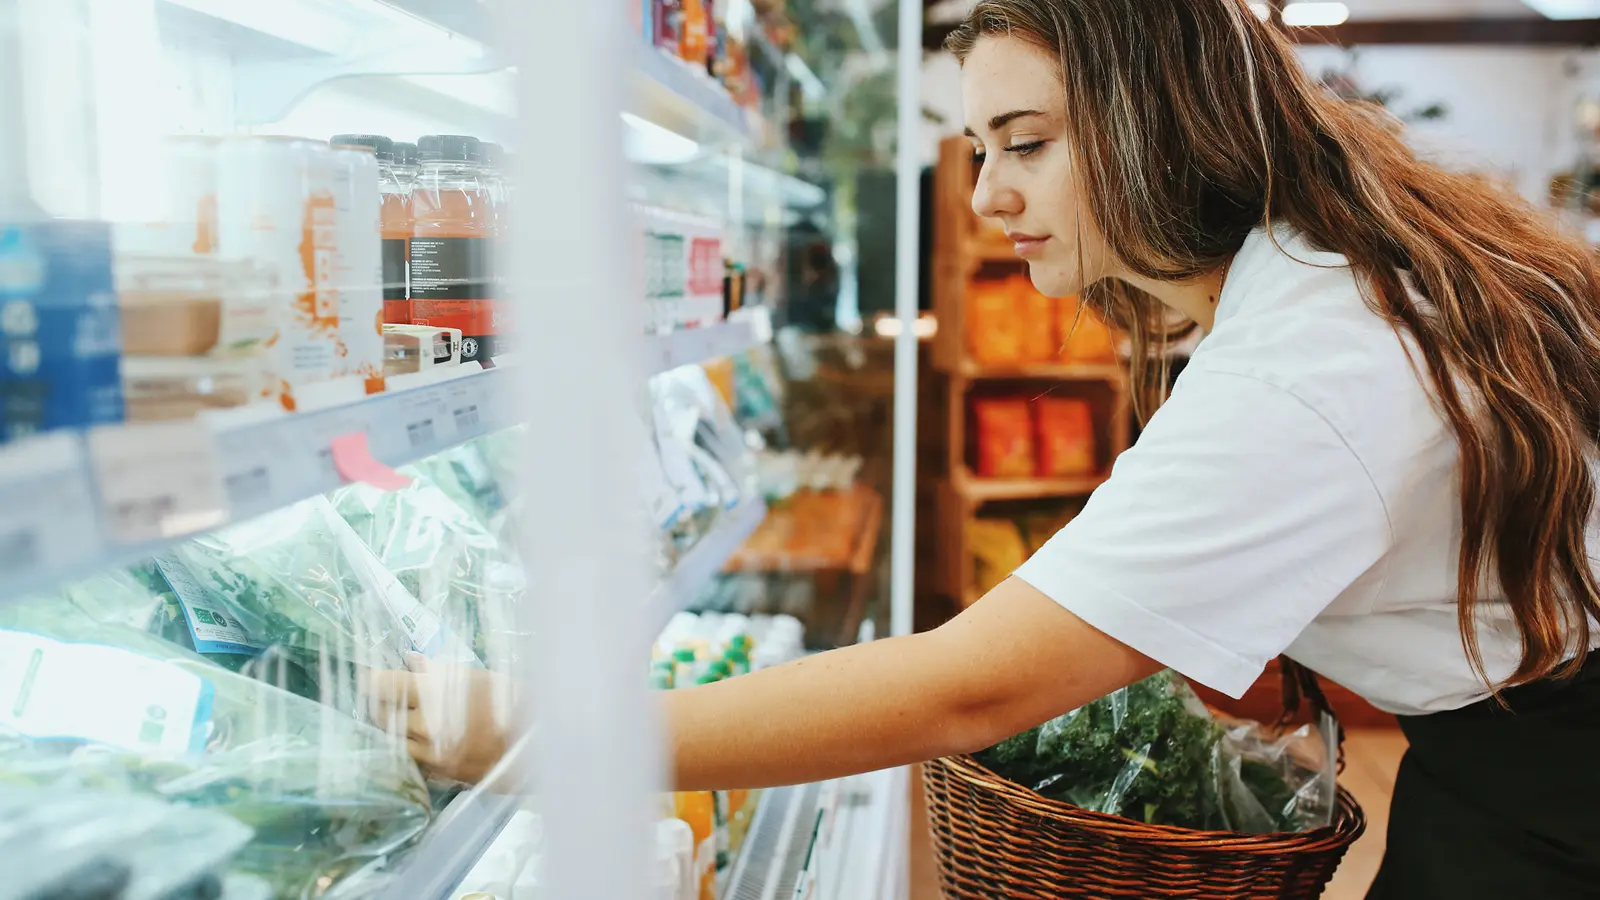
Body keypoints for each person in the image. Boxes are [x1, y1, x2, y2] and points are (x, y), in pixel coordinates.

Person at [373, 2, 1600, 895]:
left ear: (1154, 125)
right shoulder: (1315, 284)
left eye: (1026, 143)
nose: (983, 199)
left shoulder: (1301, 367)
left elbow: (970, 684)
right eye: (976, 149)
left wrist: (544, 733)